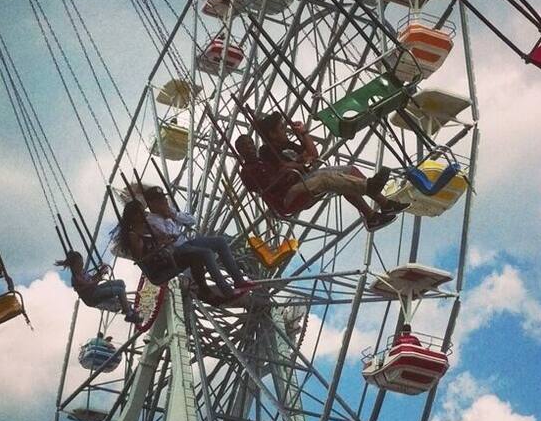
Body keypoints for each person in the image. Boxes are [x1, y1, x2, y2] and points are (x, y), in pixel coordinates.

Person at [239, 111, 408, 230]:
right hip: (289, 195)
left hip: (304, 180)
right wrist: (296, 164)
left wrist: (304, 134)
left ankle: (380, 209)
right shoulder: (265, 153)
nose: (286, 130)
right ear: (273, 134)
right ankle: (369, 187)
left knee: (348, 171)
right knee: (327, 179)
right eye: (282, 128)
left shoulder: (286, 146)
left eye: (250, 143)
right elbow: (278, 174)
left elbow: (312, 155)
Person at [142, 186, 256, 298]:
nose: (165, 201)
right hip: (175, 251)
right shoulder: (151, 221)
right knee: (206, 253)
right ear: (152, 203)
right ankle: (227, 291)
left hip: (187, 243)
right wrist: (167, 218)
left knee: (220, 241)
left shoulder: (169, 211)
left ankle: (239, 280)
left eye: (164, 198)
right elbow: (170, 237)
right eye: (160, 200)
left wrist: (174, 215)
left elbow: (192, 220)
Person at [55, 250, 142, 324]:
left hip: (95, 289)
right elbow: (86, 286)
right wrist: (97, 280)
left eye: (82, 263)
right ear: (73, 266)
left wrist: (100, 272)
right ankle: (129, 314)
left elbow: (92, 279)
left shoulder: (82, 271)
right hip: (92, 297)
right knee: (119, 290)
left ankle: (125, 307)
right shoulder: (75, 278)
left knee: (120, 283)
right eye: (79, 264)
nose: (81, 265)